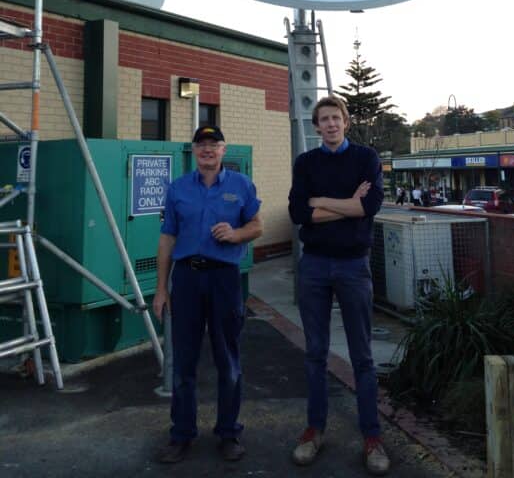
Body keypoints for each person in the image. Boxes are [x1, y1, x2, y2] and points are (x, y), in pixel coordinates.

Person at [288, 95, 390, 476]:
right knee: (315, 352)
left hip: (353, 265)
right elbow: (299, 213)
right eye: (323, 119)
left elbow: (369, 207)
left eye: (336, 118)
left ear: (346, 122)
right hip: (313, 265)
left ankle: (372, 436)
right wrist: (346, 203)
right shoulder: (306, 163)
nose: (330, 124)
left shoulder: (365, 158)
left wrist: (324, 203)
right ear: (316, 127)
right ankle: (314, 430)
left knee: (362, 356)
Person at [153, 125, 263, 465]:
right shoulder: (178, 189)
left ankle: (228, 433)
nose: (207, 150)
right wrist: (161, 288)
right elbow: (167, 239)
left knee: (227, 360)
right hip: (186, 279)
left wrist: (236, 233)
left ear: (223, 150)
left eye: (213, 144)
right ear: (194, 151)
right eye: (201, 144)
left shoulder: (241, 185)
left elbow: (257, 226)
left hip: (224, 279)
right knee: (183, 362)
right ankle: (181, 434)